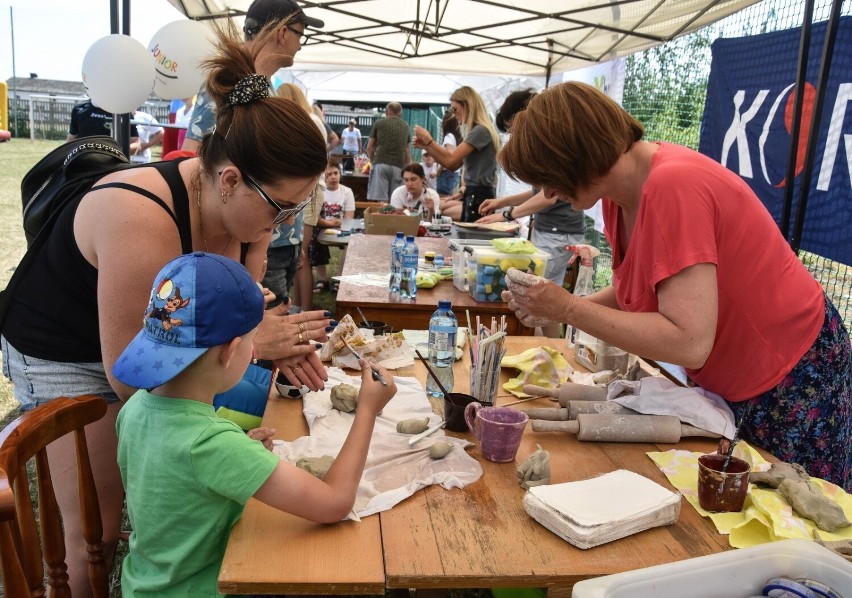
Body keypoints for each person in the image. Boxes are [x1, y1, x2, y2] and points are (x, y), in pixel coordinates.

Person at [0, 25, 331, 596]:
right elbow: (135, 375)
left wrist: (263, 346)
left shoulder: (244, 216)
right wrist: (235, 396)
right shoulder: (140, 217)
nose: (283, 226)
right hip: (66, 345)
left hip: (140, 344)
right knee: (95, 528)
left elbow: (234, 324)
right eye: (281, 209)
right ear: (230, 180)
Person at [499, 81, 852, 490]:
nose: (548, 193)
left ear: (576, 155)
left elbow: (688, 341)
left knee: (801, 514)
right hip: (735, 376)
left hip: (791, 375)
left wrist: (569, 309)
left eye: (550, 178)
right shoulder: (618, 197)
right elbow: (640, 292)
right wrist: (553, 307)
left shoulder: (673, 186)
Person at [113, 251, 397, 597]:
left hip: (145, 585)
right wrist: (367, 409)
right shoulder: (212, 445)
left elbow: (175, 476)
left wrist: (237, 449)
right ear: (233, 350)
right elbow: (334, 503)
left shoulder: (136, 408)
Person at [477, 89, 585, 338]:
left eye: (512, 127)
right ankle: (550, 349)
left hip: (560, 234)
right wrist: (502, 202)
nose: (515, 134)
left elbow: (548, 197)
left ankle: (551, 350)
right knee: (545, 300)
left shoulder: (555, 146)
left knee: (541, 299)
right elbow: (540, 192)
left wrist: (507, 214)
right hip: (552, 232)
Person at [181, 0, 324, 153]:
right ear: (282, 34)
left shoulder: (262, 85)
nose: (300, 46)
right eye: (300, 35)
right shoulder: (228, 80)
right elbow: (192, 155)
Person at [277, 83, 328, 312]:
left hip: (310, 190)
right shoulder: (311, 119)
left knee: (302, 254)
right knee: (299, 254)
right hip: (307, 189)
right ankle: (298, 306)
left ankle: (305, 309)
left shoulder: (309, 121)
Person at [414, 86, 499, 223]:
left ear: (467, 105)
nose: (453, 114)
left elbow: (451, 161)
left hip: (478, 196)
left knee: (471, 238)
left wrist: (429, 140)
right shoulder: (479, 130)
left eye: (455, 109)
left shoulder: (480, 131)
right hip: (475, 194)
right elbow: (451, 164)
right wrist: (426, 145)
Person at [310, 158, 355, 293]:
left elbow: (349, 217)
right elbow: (315, 218)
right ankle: (322, 278)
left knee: (351, 241)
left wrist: (342, 229)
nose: (333, 177)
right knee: (314, 238)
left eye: (336, 173)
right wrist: (328, 224)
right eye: (328, 174)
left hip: (341, 228)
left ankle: (340, 278)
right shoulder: (319, 192)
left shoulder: (347, 192)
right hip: (322, 226)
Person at [367, 101, 411, 200]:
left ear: (387, 111)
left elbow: (370, 147)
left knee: (381, 201)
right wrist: (408, 167)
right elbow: (407, 149)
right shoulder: (406, 126)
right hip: (398, 165)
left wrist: (373, 161)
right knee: (395, 199)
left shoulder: (379, 123)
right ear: (400, 112)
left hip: (381, 163)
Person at [67, 98, 138, 141]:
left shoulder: (123, 110)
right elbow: (72, 138)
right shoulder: (79, 108)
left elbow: (135, 142)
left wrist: (113, 152)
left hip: (112, 161)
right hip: (84, 159)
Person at [434, 109, 463, 196]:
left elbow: (449, 156)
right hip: (455, 173)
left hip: (446, 173)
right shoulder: (458, 138)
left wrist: (438, 171)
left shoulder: (449, 136)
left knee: (443, 199)